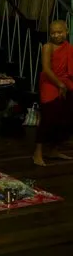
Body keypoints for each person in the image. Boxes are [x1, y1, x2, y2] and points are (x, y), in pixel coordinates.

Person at [33, 20, 73, 166]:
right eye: (53, 32)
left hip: (66, 82)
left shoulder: (69, 48)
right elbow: (46, 69)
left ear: (66, 31)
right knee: (48, 117)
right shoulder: (47, 47)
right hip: (50, 82)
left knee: (66, 117)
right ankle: (37, 152)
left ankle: (54, 150)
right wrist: (59, 84)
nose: (56, 35)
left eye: (59, 32)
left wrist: (65, 84)